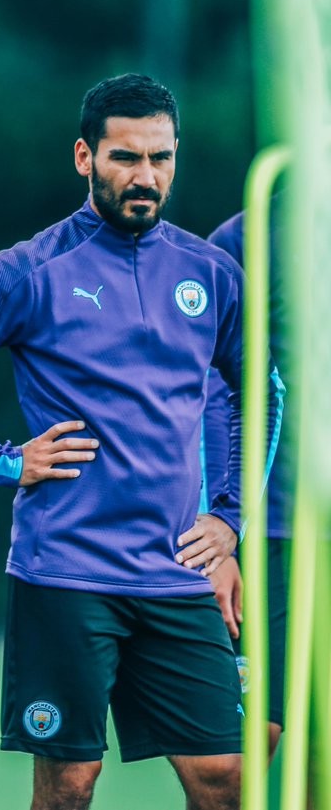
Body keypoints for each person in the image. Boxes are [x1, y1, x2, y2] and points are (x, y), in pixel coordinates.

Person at [0, 73, 282, 810]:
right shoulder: (30, 269)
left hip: (177, 573)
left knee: (226, 773)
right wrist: (4, 460)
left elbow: (262, 390)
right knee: (69, 784)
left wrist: (230, 517)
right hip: (67, 571)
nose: (145, 176)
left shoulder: (211, 272)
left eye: (161, 157)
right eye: (125, 157)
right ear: (84, 157)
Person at [204, 204, 290, 760]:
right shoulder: (248, 237)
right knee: (249, 746)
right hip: (273, 526)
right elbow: (216, 393)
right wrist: (223, 532)